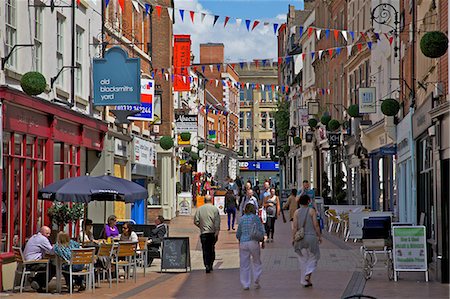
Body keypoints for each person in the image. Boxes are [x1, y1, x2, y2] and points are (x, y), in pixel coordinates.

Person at [292, 194, 322, 288]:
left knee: (303, 259)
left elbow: (295, 227)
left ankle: (305, 280)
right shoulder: (311, 211)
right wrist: (319, 236)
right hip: (311, 237)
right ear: (308, 201)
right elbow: (316, 225)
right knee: (314, 257)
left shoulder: (296, 212)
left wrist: (293, 238)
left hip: (300, 239)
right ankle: (308, 274)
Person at [236, 203, 265, 290]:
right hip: (253, 242)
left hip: (243, 243)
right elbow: (261, 230)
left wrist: (239, 239)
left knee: (244, 264)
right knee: (256, 262)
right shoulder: (256, 218)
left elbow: (238, 233)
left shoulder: (242, 219)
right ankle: (256, 280)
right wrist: (262, 240)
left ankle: (245, 284)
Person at [23, 226, 55, 292]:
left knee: (49, 264)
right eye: (47, 233)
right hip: (32, 263)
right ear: (42, 232)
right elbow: (52, 251)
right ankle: (39, 284)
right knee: (53, 267)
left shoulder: (34, 237)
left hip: (27, 262)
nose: (48, 235)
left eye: (49, 233)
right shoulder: (43, 239)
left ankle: (35, 280)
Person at [194, 195, 220, 273]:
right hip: (212, 232)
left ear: (204, 200)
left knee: (205, 249)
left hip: (204, 232)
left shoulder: (199, 209)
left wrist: (201, 226)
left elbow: (196, 221)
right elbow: (217, 222)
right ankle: (211, 263)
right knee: (212, 248)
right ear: (211, 200)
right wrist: (217, 231)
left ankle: (207, 265)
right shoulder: (215, 209)